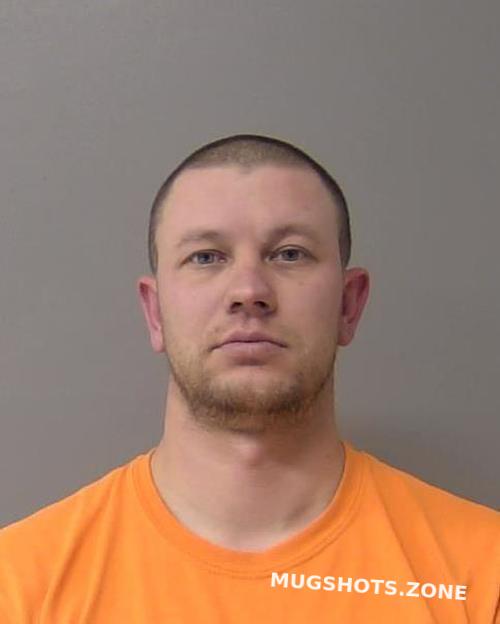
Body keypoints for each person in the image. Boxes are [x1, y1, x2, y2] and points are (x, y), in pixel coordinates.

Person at [0, 134, 498, 623]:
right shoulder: (18, 585)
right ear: (155, 312)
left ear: (349, 305)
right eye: (206, 257)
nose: (248, 291)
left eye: (289, 253)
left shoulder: (481, 576)